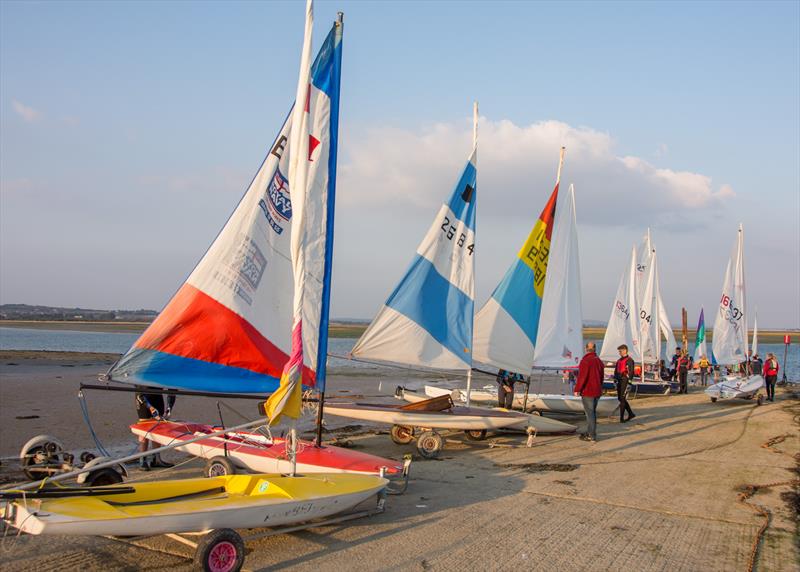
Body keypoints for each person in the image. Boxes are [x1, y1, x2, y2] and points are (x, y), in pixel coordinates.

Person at [135, 389, 176, 470]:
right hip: (142, 396)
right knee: (144, 426)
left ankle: (156, 460)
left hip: (157, 395)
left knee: (158, 426)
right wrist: (151, 408)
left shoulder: (167, 376)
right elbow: (139, 391)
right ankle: (142, 461)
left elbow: (172, 390)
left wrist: (169, 408)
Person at [574, 342, 604, 442]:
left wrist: (577, 389)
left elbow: (582, 377)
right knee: (592, 413)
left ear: (586, 349)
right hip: (597, 391)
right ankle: (590, 432)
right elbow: (601, 377)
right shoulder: (599, 361)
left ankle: (591, 435)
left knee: (590, 414)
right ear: (595, 349)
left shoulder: (585, 361)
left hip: (588, 392)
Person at [614, 345, 636, 423]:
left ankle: (621, 418)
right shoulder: (619, 360)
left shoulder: (630, 360)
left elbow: (631, 372)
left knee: (622, 399)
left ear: (625, 350)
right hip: (619, 381)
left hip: (625, 380)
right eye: (619, 351)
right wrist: (615, 380)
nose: (619, 352)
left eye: (620, 351)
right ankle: (631, 413)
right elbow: (616, 371)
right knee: (620, 398)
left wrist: (629, 382)